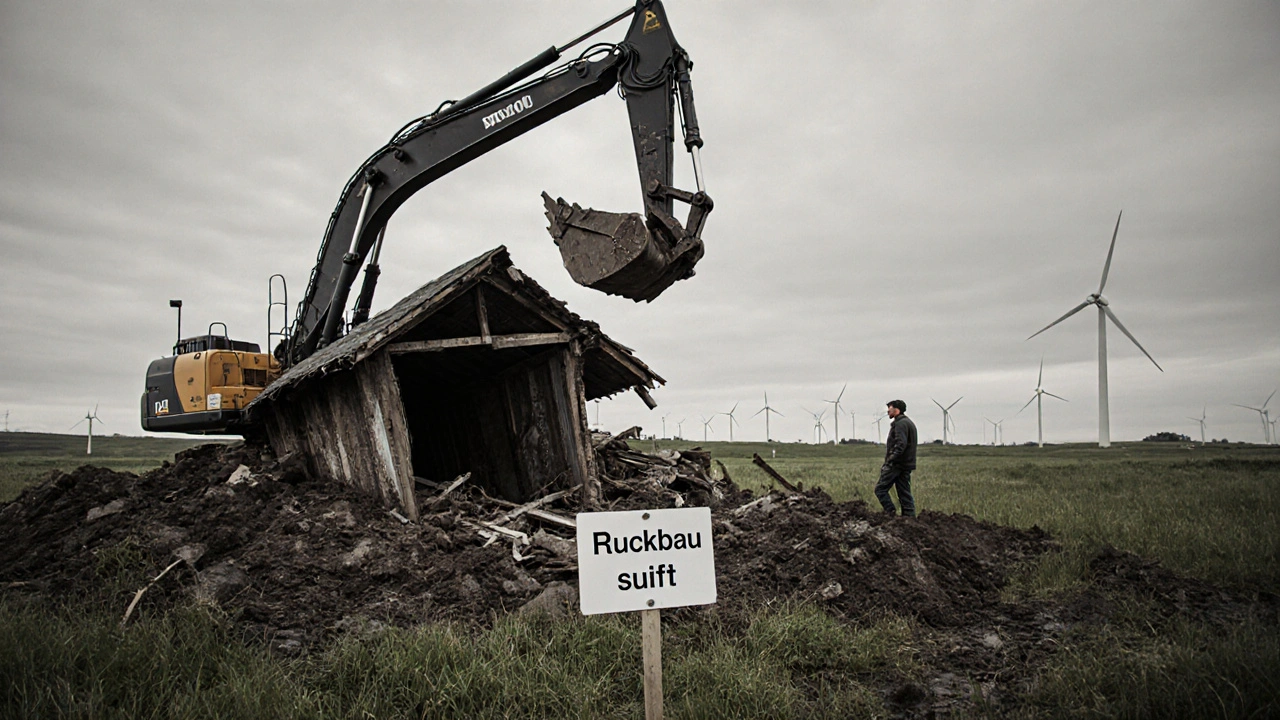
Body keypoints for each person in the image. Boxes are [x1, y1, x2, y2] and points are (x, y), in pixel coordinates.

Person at [876, 399, 918, 517]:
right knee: (904, 492)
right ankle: (909, 518)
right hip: (906, 464)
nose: (888, 411)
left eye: (889, 408)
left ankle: (890, 514)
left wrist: (890, 459)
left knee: (880, 489)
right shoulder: (908, 422)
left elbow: (900, 444)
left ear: (896, 409)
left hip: (897, 464)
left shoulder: (900, 424)